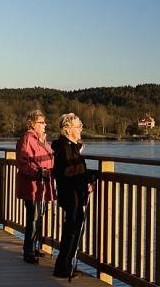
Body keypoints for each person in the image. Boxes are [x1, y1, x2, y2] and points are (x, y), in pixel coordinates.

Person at [52, 113, 95, 279]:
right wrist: (87, 181)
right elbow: (68, 172)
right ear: (67, 129)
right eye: (78, 126)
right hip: (72, 194)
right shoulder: (65, 148)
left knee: (73, 227)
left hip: (72, 193)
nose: (81, 129)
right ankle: (63, 267)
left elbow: (74, 170)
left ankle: (65, 264)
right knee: (72, 229)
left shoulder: (69, 147)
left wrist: (88, 177)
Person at [15, 109, 56, 264]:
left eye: (44, 122)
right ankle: (28, 251)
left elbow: (50, 157)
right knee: (33, 218)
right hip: (31, 185)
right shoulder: (27, 138)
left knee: (39, 217)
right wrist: (37, 173)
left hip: (42, 186)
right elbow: (22, 161)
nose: (44, 125)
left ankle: (35, 247)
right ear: (32, 123)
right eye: (41, 122)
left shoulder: (41, 139)